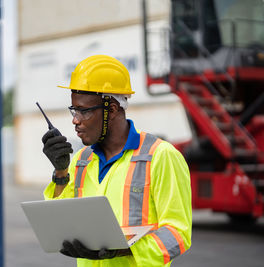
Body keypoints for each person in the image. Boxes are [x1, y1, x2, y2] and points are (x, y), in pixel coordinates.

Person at [41, 55, 192, 267]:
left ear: (111, 109)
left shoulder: (161, 156)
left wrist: (121, 250)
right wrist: (61, 172)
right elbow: (62, 220)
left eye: (82, 111)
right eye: (73, 110)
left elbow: (177, 234)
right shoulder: (81, 160)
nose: (75, 120)